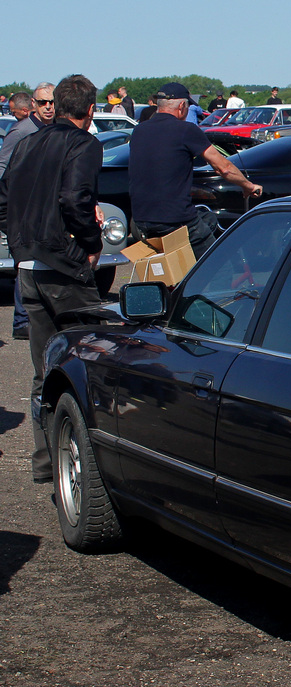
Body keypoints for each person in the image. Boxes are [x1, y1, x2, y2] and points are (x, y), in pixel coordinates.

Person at [0, 75, 105, 484]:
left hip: (29, 267)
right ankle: (87, 458)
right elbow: (74, 197)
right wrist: (90, 244)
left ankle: (46, 459)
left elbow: (5, 197)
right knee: (86, 365)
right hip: (62, 268)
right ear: (90, 110)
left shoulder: (27, 143)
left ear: (56, 106)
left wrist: (20, 241)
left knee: (45, 369)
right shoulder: (83, 144)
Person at [129, 82, 262, 258]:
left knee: (208, 219)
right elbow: (224, 167)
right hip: (174, 220)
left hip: (141, 220)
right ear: (182, 106)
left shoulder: (139, 130)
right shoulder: (186, 130)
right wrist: (248, 186)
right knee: (214, 265)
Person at [0, 84, 55, 342]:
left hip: (41, 208)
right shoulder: (22, 131)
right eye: (43, 102)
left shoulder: (52, 129)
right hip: (20, 209)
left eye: (52, 102)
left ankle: (32, 318)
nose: (48, 107)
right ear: (33, 104)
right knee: (24, 263)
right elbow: (3, 169)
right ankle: (22, 321)